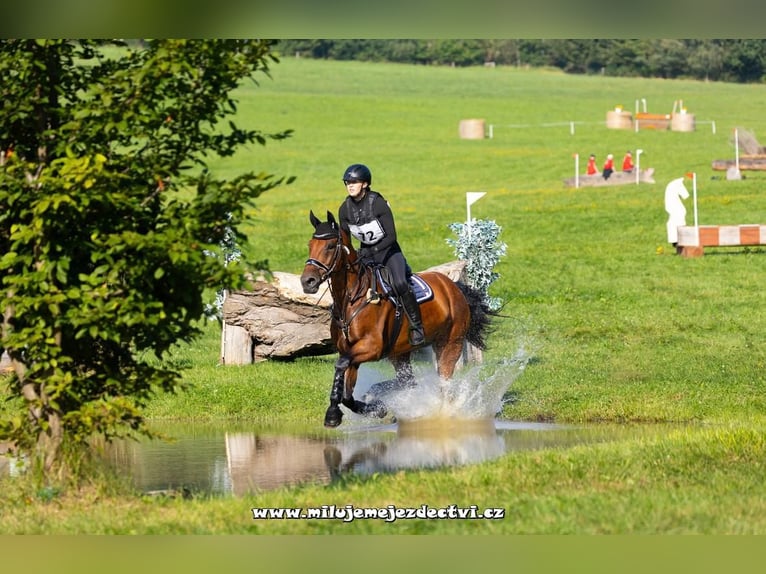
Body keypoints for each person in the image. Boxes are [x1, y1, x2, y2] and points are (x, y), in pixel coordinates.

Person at [337, 163, 425, 346]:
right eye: (347, 182)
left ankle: (417, 327)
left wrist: (372, 251)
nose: (350, 185)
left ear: (365, 184)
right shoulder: (344, 210)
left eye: (354, 182)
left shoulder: (377, 203)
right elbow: (345, 239)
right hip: (365, 255)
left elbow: (391, 236)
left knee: (400, 283)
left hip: (389, 252)